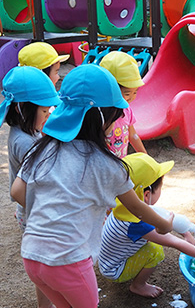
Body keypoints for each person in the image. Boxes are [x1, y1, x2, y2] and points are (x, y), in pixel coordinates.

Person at [10, 64, 173, 308]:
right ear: (101, 118)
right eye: (115, 117)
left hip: (32, 257)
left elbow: (17, 192)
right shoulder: (108, 165)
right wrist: (163, 224)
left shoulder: (42, 148)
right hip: (70, 262)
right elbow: (136, 207)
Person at [99, 152, 195, 298]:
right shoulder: (137, 224)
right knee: (155, 251)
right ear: (147, 195)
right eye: (161, 187)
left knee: (149, 241)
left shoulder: (124, 205)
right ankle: (138, 286)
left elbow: (163, 217)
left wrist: (185, 233)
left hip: (107, 258)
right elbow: (174, 242)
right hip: (114, 269)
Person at [1, 66, 61, 308]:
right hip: (36, 212)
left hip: (33, 209)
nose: (49, 114)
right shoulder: (24, 142)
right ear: (21, 108)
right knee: (46, 265)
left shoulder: (27, 131)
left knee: (44, 266)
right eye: (44, 109)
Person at [100, 51, 147, 158]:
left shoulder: (127, 110)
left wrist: (145, 156)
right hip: (104, 165)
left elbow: (132, 135)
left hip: (120, 162)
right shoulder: (100, 113)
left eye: (135, 92)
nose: (131, 97)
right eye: (127, 93)